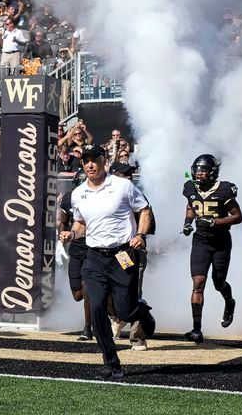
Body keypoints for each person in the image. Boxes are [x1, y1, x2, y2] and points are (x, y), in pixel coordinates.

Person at [60, 145, 156, 381]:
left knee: (124, 310)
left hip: (122, 254)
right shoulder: (78, 193)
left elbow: (145, 210)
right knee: (97, 309)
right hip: (93, 257)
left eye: (94, 160)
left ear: (104, 162)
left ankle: (140, 310)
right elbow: (80, 224)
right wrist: (72, 235)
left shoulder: (122, 186)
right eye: (86, 161)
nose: (90, 164)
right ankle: (111, 363)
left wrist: (141, 235)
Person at [181, 154, 241, 343]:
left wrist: (215, 221)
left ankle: (229, 302)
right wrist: (188, 222)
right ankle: (197, 329)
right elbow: (191, 204)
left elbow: (237, 216)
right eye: (197, 170)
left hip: (221, 241)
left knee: (218, 282)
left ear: (213, 172)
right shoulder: (190, 187)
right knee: (198, 282)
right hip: (201, 241)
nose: (199, 174)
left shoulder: (224, 189)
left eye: (203, 170)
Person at [57, 170, 92, 340]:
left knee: (87, 291)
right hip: (76, 247)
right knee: (77, 294)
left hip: (92, 246)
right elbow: (63, 221)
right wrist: (60, 240)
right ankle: (104, 308)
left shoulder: (97, 197)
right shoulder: (69, 198)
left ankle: (88, 328)